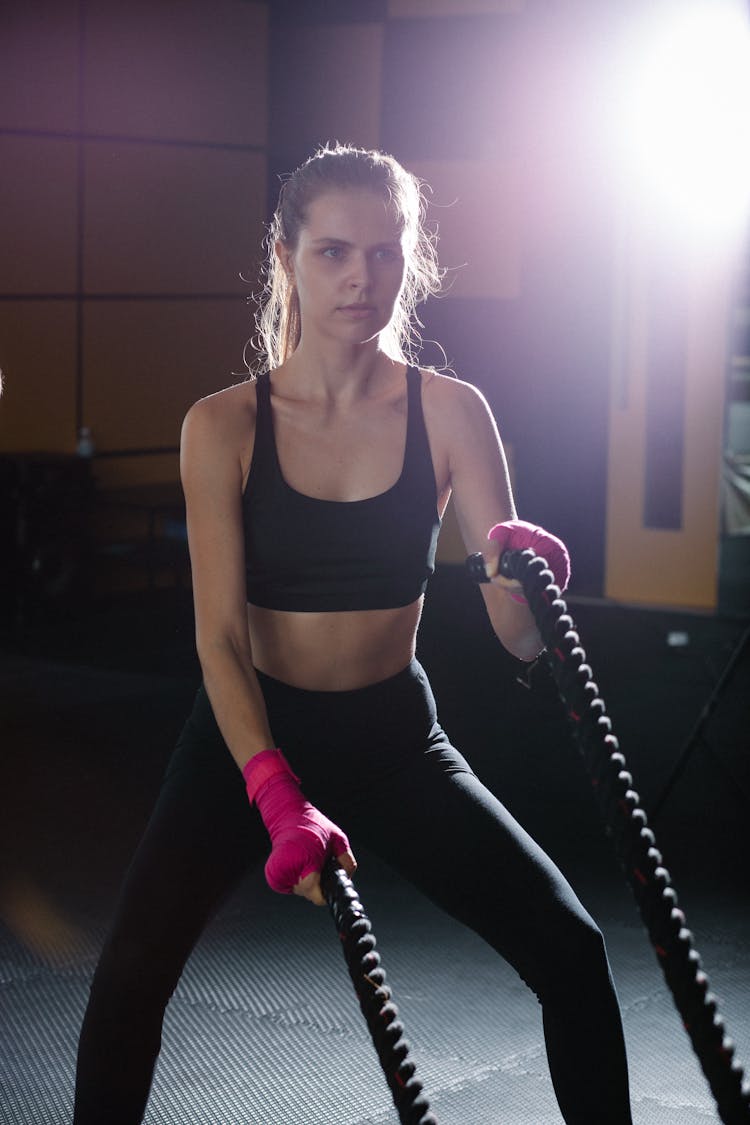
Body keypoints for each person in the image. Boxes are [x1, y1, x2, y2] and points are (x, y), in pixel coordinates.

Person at [74, 143, 632, 1124]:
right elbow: (216, 640)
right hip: (248, 739)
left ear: (407, 261)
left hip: (392, 740)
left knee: (574, 954)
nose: (362, 278)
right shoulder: (223, 425)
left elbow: (518, 643)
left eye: (384, 252)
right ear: (286, 255)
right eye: (334, 252)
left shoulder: (452, 412)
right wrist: (274, 792)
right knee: (126, 986)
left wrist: (535, 584)